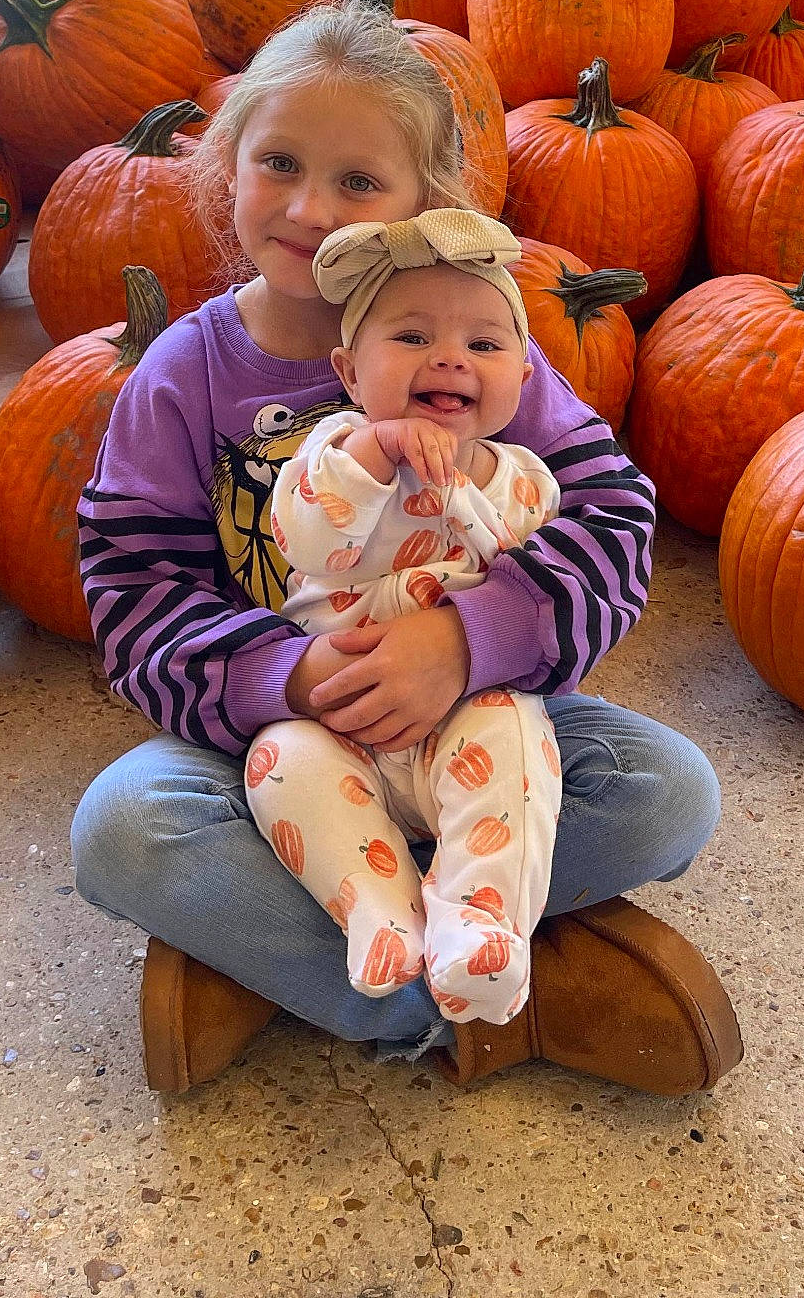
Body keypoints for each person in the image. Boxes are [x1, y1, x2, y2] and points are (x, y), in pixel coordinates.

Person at [69, 0, 742, 1095]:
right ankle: (479, 997)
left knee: (667, 789)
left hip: (473, 717)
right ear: (224, 165)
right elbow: (133, 589)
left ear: (423, 202)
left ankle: (291, 953)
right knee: (125, 831)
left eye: (358, 181)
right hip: (278, 740)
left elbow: (615, 524)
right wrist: (279, 672)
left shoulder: (468, 343)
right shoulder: (182, 375)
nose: (307, 205)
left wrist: (473, 639)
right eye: (278, 161)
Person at [249, 208, 562, 1027]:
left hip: (459, 727)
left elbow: (543, 586)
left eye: (485, 347)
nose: (451, 358)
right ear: (350, 373)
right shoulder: (330, 453)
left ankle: (478, 921)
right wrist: (372, 456)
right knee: (276, 760)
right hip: (340, 724)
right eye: (413, 338)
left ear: (523, 379)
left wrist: (469, 492)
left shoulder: (526, 480)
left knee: (521, 731)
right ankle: (377, 909)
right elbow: (308, 539)